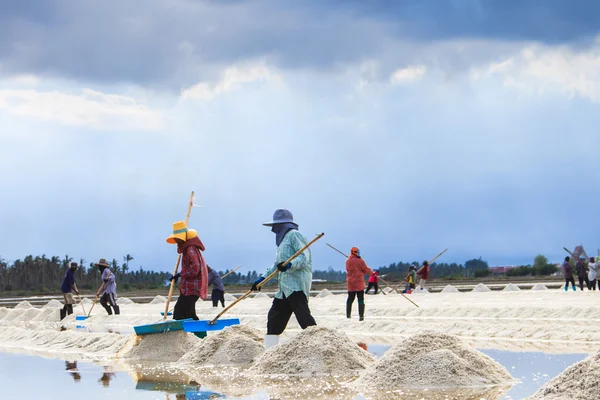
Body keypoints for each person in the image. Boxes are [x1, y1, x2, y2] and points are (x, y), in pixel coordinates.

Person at [251, 209, 316, 349]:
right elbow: (277, 265)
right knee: (274, 317)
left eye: (277, 225)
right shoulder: (281, 243)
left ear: (284, 225)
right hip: (284, 288)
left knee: (304, 317)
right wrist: (262, 279)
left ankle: (318, 345)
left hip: (296, 285)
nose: (274, 228)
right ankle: (269, 352)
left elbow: (304, 257)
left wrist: (290, 265)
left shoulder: (294, 235)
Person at [166, 221, 208, 320]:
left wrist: (182, 274)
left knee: (179, 313)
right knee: (190, 314)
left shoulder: (190, 250)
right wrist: (179, 275)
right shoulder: (188, 249)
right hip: (190, 288)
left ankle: (181, 335)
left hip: (191, 288)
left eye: (178, 238)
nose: (176, 241)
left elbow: (195, 269)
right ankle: (200, 335)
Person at [345, 247, 373, 321]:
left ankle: (348, 315)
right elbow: (365, 269)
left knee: (350, 299)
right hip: (358, 283)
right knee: (360, 299)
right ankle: (361, 316)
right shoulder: (360, 260)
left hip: (350, 283)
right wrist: (372, 273)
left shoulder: (347, 261)